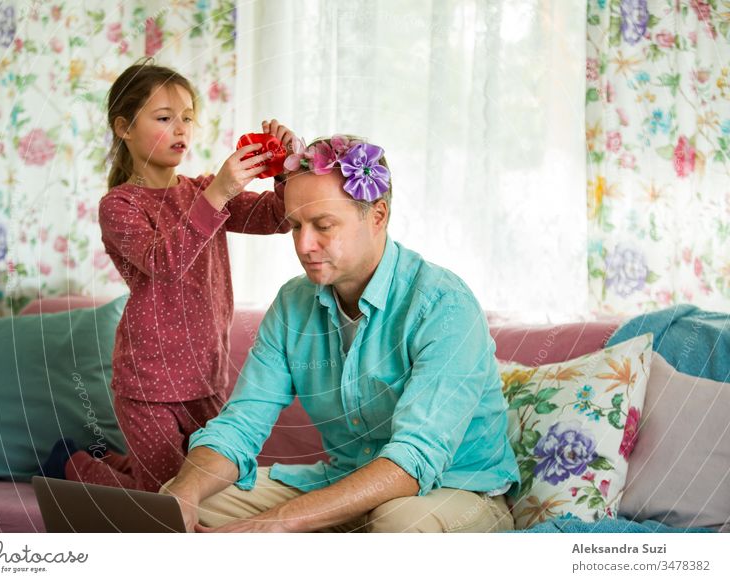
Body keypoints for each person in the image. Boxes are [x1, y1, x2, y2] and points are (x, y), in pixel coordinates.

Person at [161, 135, 520, 532]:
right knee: (180, 505)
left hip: (455, 491)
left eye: (323, 225)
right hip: (344, 480)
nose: (304, 244)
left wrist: (278, 523)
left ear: (378, 216)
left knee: (395, 524)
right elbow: (241, 424)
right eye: (295, 225)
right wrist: (186, 490)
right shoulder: (293, 303)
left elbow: (415, 459)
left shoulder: (444, 304)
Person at [41, 59, 295, 492]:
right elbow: (164, 262)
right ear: (124, 128)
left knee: (208, 493)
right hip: (148, 384)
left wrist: (289, 166)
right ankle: (72, 462)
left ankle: (113, 461)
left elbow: (278, 218)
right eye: (164, 118)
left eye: (188, 119)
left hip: (207, 377)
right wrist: (220, 191)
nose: (181, 129)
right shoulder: (120, 206)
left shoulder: (201, 191)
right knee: (165, 501)